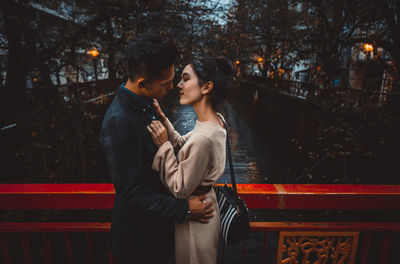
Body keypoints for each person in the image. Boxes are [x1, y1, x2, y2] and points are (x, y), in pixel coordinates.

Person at [99, 33, 215, 264]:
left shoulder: (145, 105)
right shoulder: (119, 120)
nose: (173, 87)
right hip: (138, 245)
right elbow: (130, 193)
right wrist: (185, 209)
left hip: (156, 235)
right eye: (166, 83)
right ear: (143, 83)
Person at [147, 56, 234, 263]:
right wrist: (164, 119)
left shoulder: (204, 137)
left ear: (206, 87)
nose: (179, 85)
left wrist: (163, 146)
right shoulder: (215, 121)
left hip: (197, 216)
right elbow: (182, 144)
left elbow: (179, 187)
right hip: (205, 205)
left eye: (185, 79)